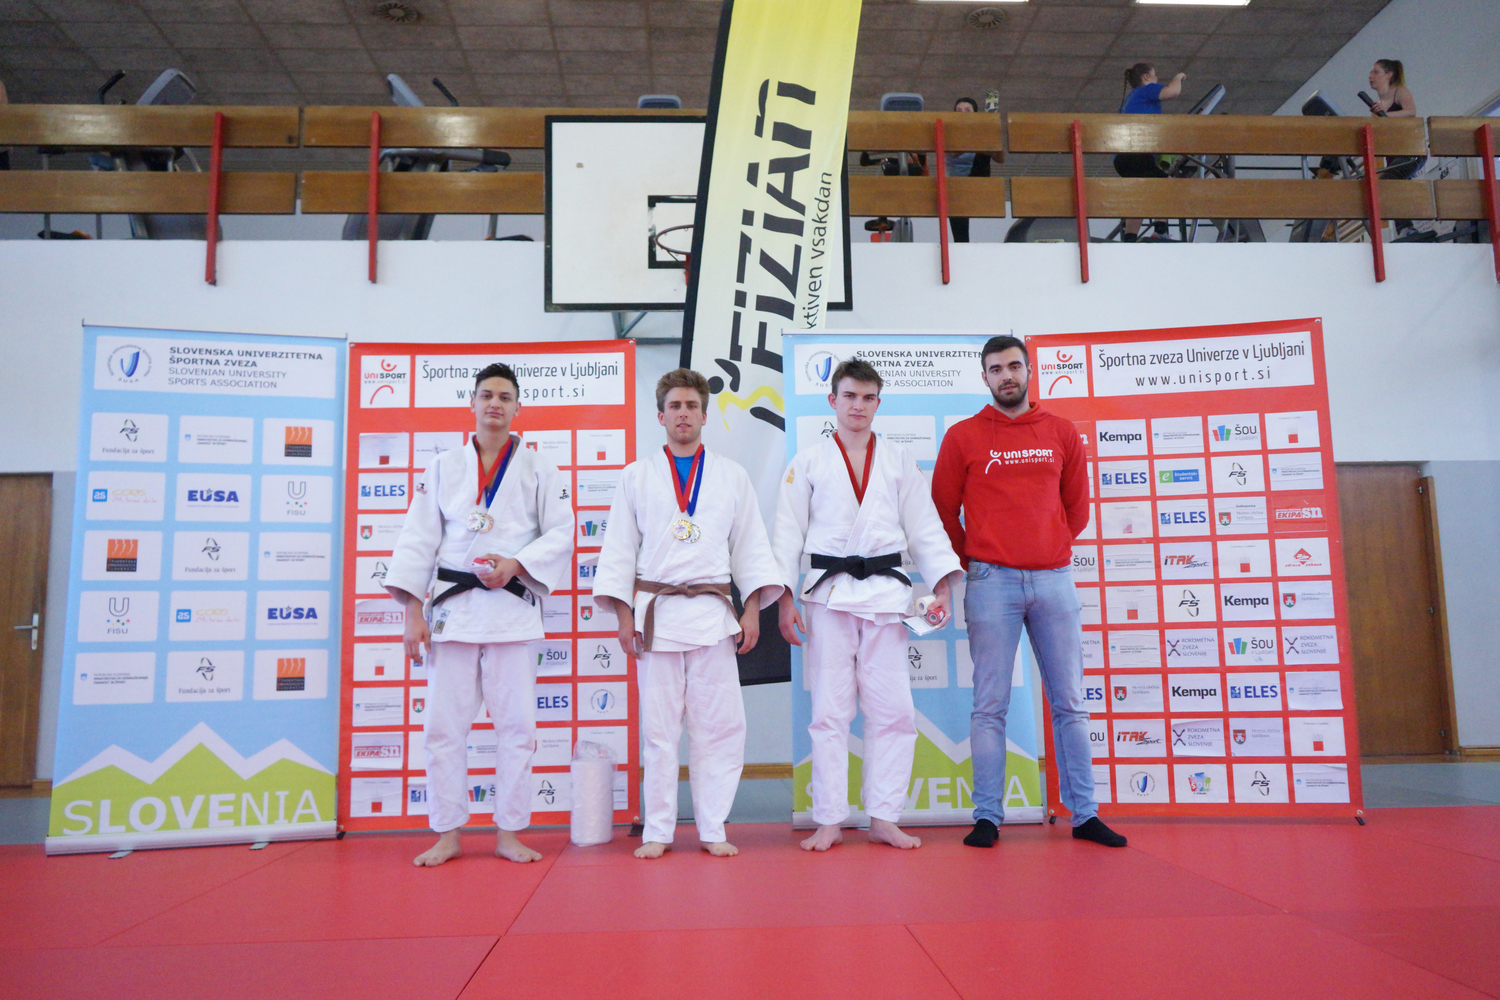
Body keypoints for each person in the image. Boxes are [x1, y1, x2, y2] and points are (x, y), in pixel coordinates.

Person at [932, 336, 1127, 850]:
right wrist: (976, 559)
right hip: (990, 583)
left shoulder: (1061, 432)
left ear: (1029, 371)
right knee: (988, 706)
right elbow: (943, 510)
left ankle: (1084, 814)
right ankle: (987, 817)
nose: (1007, 375)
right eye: (996, 369)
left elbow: (1077, 509)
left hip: (1054, 581)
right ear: (985, 377)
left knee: (1070, 703)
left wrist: (1048, 546)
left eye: (1014, 366)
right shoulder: (962, 436)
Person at [384, 362, 574, 867]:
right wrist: (412, 613)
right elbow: (418, 540)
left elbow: (562, 532)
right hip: (454, 610)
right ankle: (447, 833)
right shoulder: (443, 466)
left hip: (511, 608)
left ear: (518, 407)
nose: (495, 404)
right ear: (471, 402)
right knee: (443, 728)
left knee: (518, 729)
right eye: (487, 395)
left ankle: (509, 832)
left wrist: (516, 564)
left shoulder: (540, 468)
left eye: (505, 397)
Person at [593, 368, 782, 860]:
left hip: (713, 616)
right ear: (660, 415)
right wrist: (622, 617)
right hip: (655, 617)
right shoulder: (636, 476)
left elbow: (750, 547)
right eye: (675, 406)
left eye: (692, 406)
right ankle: (658, 829)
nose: (683, 414)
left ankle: (712, 826)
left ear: (704, 414)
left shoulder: (732, 475)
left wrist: (752, 610)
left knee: (718, 728)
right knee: (658, 733)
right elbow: (619, 551)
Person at [775, 358, 962, 852]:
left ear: (878, 403)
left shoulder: (898, 460)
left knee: (894, 711)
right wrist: (784, 599)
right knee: (829, 712)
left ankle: (884, 816)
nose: (858, 406)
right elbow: (786, 534)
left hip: (886, 596)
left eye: (868, 397)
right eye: (850, 396)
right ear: (832, 400)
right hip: (829, 596)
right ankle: (829, 819)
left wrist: (942, 584)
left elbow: (924, 526)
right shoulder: (808, 462)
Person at [1113, 62, 1186, 241]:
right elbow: (1172, 91)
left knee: (1141, 195)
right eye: (1154, 75)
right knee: (1166, 186)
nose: (1157, 78)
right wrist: (1179, 77)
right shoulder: (1146, 90)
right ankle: (1160, 231)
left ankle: (1130, 238)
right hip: (1136, 155)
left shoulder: (1130, 100)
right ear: (1146, 77)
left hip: (1123, 159)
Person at [944, 97, 1000, 243]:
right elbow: (952, 153)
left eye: (967, 110)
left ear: (975, 114)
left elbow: (1000, 159)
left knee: (983, 152)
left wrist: (990, 143)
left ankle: (991, 117)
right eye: (959, 110)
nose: (963, 113)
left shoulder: (980, 133)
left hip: (977, 178)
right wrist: (975, 142)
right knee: (959, 227)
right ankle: (961, 247)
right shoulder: (948, 131)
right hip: (956, 184)